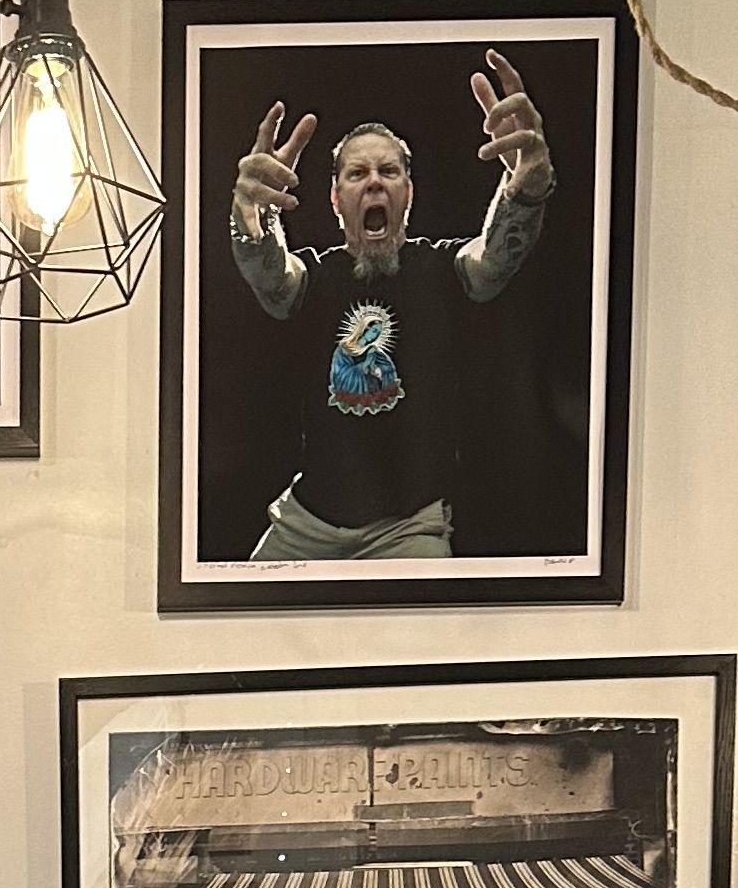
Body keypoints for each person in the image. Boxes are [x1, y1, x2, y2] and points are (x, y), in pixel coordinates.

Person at [224, 55, 553, 562]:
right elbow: (273, 279)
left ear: (408, 192)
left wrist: (526, 189)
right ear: (336, 199)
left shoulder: (444, 268)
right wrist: (250, 216)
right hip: (307, 526)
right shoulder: (313, 279)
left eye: (388, 171)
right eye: (357, 173)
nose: (374, 181)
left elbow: (492, 262)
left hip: (409, 530)